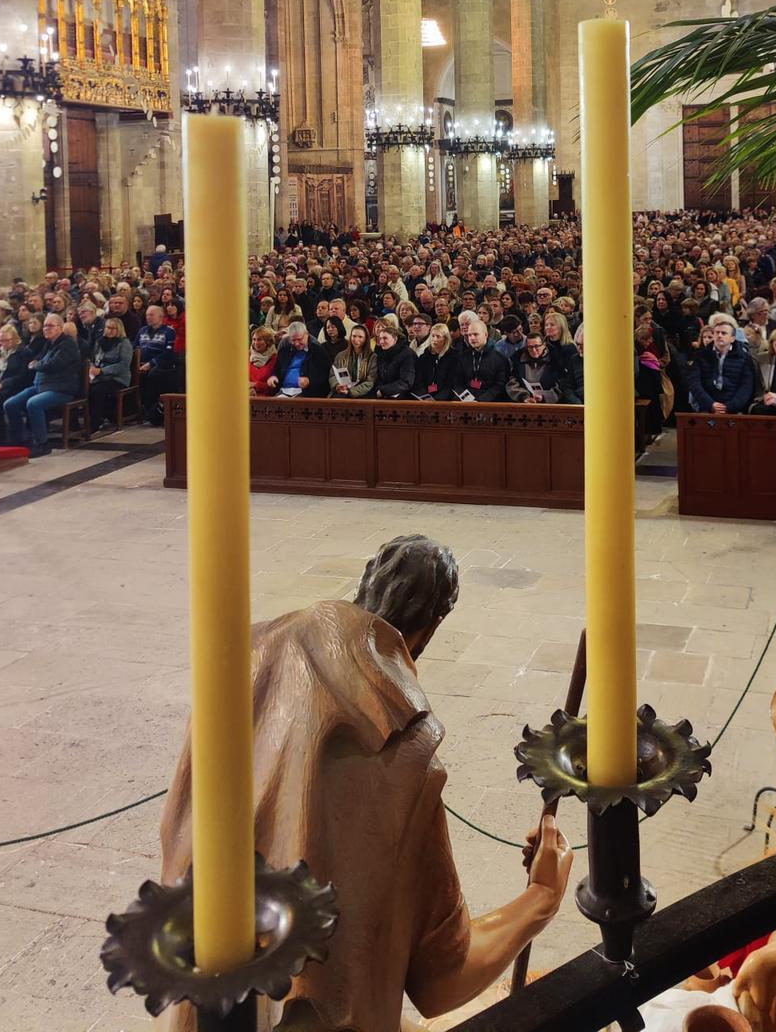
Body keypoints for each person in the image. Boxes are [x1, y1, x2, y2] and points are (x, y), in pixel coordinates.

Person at [159, 535, 572, 1032]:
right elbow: (443, 979)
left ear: (367, 582)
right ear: (431, 628)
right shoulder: (404, 742)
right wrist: (541, 896)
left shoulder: (239, 661)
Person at [4, 311, 81, 455]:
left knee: (33, 403)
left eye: (50, 326)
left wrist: (37, 365)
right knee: (10, 404)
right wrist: (38, 364)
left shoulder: (67, 344)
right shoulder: (49, 344)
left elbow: (53, 364)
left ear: (59, 328)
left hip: (61, 389)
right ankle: (22, 440)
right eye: (45, 326)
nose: (46, 329)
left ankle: (42, 443)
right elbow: (37, 360)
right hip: (42, 386)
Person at [687, 320, 757, 416]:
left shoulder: (744, 358)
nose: (719, 335)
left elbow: (746, 386)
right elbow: (694, 383)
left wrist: (729, 407)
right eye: (717, 333)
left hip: (734, 408)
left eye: (724, 333)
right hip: (707, 407)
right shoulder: (701, 355)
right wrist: (711, 404)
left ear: (732, 338)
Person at [0, 322, 32, 442]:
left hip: (14, 387)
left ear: (15, 339)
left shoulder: (24, 353)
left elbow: (22, 376)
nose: (3, 344)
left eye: (7, 340)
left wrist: (2, 384)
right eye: (1, 340)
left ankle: (1, 439)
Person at [135, 303, 179, 424]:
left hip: (160, 365)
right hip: (141, 363)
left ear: (160, 317)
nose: (148, 317)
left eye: (151, 315)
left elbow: (168, 353)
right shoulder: (142, 330)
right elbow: (135, 348)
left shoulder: (169, 331)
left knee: (153, 376)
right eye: (147, 315)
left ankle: (151, 411)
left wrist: (151, 363)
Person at [88, 316, 135, 429]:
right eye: (108, 327)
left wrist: (103, 371)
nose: (109, 330)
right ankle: (92, 419)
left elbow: (123, 365)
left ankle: (95, 423)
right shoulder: (100, 342)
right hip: (100, 375)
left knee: (97, 390)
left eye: (113, 328)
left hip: (118, 377)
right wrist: (92, 368)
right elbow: (93, 359)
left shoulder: (124, 343)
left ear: (119, 330)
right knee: (86, 388)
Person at [452, 317, 509, 401]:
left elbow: (499, 386)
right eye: (469, 335)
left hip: (489, 403)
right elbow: (457, 383)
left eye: (475, 334)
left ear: (486, 335)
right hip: (465, 402)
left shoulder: (500, 359)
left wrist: (480, 401)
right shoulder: (462, 357)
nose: (472, 338)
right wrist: (467, 399)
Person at [267, 320, 329, 397]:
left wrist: (310, 381)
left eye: (299, 339)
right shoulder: (284, 351)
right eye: (293, 340)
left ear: (307, 334)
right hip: (284, 391)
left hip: (306, 394)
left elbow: (325, 375)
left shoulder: (318, 351)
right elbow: (277, 370)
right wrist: (274, 377)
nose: (296, 344)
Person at [506, 332, 564, 403]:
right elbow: (512, 384)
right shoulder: (518, 360)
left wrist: (544, 396)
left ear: (544, 345)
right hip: (524, 403)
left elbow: (561, 386)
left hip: (549, 405)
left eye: (537, 346)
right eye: (530, 347)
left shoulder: (555, 360)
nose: (534, 350)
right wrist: (524, 397)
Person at [374, 316, 417, 399]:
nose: (381, 341)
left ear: (395, 339)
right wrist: (378, 389)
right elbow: (379, 377)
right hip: (383, 395)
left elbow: (406, 382)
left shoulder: (407, 354)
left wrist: (383, 391)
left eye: (385, 338)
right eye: (380, 338)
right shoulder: (381, 354)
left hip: (403, 397)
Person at [331, 323, 378, 396]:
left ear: (366, 339)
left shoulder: (372, 357)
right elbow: (332, 375)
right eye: (354, 336)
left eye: (360, 337)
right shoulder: (341, 356)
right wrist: (337, 386)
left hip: (363, 395)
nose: (356, 339)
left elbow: (370, 382)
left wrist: (350, 392)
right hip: (341, 392)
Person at [416, 322, 458, 399]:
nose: (434, 339)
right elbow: (418, 381)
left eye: (438, 336)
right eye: (433, 336)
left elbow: (451, 384)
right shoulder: (424, 357)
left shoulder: (453, 357)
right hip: (425, 398)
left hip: (445, 399)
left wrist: (436, 399)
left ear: (445, 339)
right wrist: (424, 397)